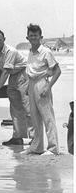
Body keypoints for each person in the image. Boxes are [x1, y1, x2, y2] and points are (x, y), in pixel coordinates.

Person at [0, 29, 33, 145]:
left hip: (22, 75)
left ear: (4, 39)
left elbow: (6, 71)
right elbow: (0, 68)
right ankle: (17, 137)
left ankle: (34, 137)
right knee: (14, 108)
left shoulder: (10, 51)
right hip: (12, 77)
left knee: (27, 108)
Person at [21, 24, 61, 155]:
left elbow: (57, 71)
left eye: (36, 36)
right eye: (31, 36)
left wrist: (48, 87)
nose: (33, 38)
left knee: (47, 117)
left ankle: (53, 148)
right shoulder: (30, 52)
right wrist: (28, 87)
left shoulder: (46, 52)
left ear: (41, 37)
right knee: (35, 118)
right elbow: (31, 71)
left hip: (42, 84)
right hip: (32, 84)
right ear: (27, 37)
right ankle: (37, 147)